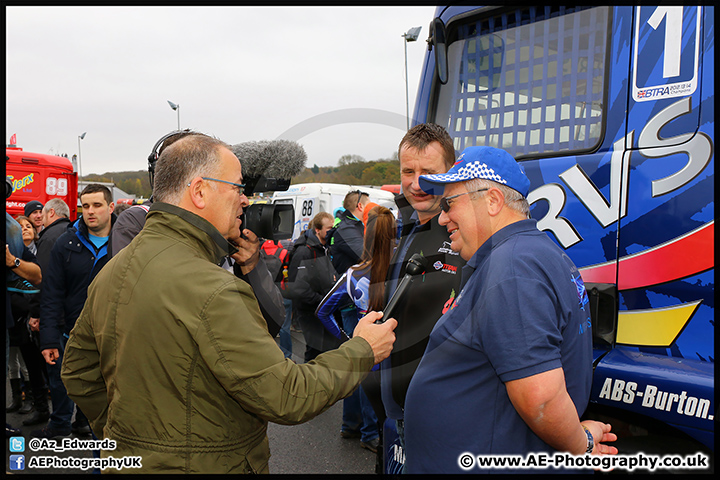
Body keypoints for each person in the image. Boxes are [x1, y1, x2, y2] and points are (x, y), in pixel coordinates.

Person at [60, 134, 398, 473]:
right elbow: (287, 396)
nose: (246, 201)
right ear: (200, 191)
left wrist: (130, 440)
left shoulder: (113, 269)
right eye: (238, 188)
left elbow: (77, 372)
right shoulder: (211, 287)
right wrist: (362, 349)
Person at [403, 146, 618, 473]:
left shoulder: (513, 266)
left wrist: (581, 444)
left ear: (492, 201)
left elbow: (541, 400)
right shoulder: (526, 254)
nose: (442, 217)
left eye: (449, 203)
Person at [109, 130, 286, 339]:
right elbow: (141, 311)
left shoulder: (229, 228)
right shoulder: (136, 222)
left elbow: (273, 322)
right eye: (236, 189)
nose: (244, 201)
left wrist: (251, 266)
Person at [379, 123, 466, 454]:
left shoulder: (465, 235)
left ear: (450, 173)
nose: (416, 184)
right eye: (408, 171)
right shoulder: (411, 225)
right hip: (398, 409)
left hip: (439, 416)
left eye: (428, 173)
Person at [33, 184, 115, 439]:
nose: (90, 212)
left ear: (111, 207)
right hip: (72, 332)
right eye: (85, 206)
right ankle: (60, 425)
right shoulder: (66, 242)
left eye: (97, 205)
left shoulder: (127, 242)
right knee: (64, 382)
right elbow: (52, 293)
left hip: (115, 332)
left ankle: (88, 425)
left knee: (108, 389)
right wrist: (47, 338)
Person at [317, 205, 396, 454]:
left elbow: (323, 311)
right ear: (394, 235)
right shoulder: (401, 268)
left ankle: (356, 428)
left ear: (366, 235)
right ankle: (370, 433)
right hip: (389, 343)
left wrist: (346, 339)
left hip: (364, 338)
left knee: (359, 379)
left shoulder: (354, 273)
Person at [6, 216, 48, 425]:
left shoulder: (38, 252)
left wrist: (33, 312)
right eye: (20, 227)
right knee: (19, 363)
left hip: (31, 317)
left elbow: (40, 284)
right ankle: (21, 399)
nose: (24, 230)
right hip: (16, 318)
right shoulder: (12, 250)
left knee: (33, 364)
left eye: (28, 226)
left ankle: (36, 403)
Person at [286, 211, 340, 362]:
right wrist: (322, 300)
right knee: (315, 350)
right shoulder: (304, 250)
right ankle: (308, 383)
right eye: (329, 229)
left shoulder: (324, 247)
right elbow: (298, 287)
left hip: (323, 309)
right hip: (310, 311)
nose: (332, 232)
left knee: (327, 349)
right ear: (318, 230)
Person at [35, 198, 72, 273]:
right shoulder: (74, 231)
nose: (42, 222)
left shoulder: (49, 236)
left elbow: (43, 270)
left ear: (51, 212)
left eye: (43, 215)